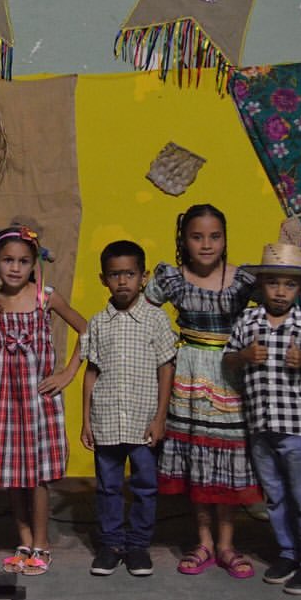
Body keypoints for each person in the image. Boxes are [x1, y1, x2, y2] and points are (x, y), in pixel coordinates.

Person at [144, 204, 260, 578]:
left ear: (225, 239)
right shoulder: (171, 279)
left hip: (230, 377)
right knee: (198, 461)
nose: (206, 244)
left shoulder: (244, 280)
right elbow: (141, 313)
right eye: (197, 237)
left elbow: (279, 307)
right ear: (184, 240)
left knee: (227, 463)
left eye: (215, 236)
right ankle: (204, 542)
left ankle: (227, 544)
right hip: (188, 378)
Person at [222, 237, 301, 595]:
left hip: (296, 428)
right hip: (260, 426)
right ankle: (288, 552)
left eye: (289, 284)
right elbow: (228, 358)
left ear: (300, 288)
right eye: (273, 282)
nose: (281, 291)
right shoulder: (249, 320)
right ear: (261, 285)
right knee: (275, 496)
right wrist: (243, 357)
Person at [0, 225, 87, 577]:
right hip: (6, 400)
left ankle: (42, 543)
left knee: (37, 476)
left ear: (34, 264)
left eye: (23, 261)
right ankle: (22, 540)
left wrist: (67, 374)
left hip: (38, 402)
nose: (15, 268)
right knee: (13, 474)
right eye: (8, 260)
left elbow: (86, 330)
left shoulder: (45, 298)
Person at [80, 241, 177, 578]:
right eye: (115, 275)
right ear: (103, 279)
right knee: (107, 486)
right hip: (106, 419)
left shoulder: (155, 319)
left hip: (142, 421)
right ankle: (111, 544)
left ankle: (137, 545)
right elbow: (91, 371)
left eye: (130, 274)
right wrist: (86, 421)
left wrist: (160, 417)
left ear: (144, 277)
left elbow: (167, 366)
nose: (123, 281)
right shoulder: (98, 322)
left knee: (144, 485)